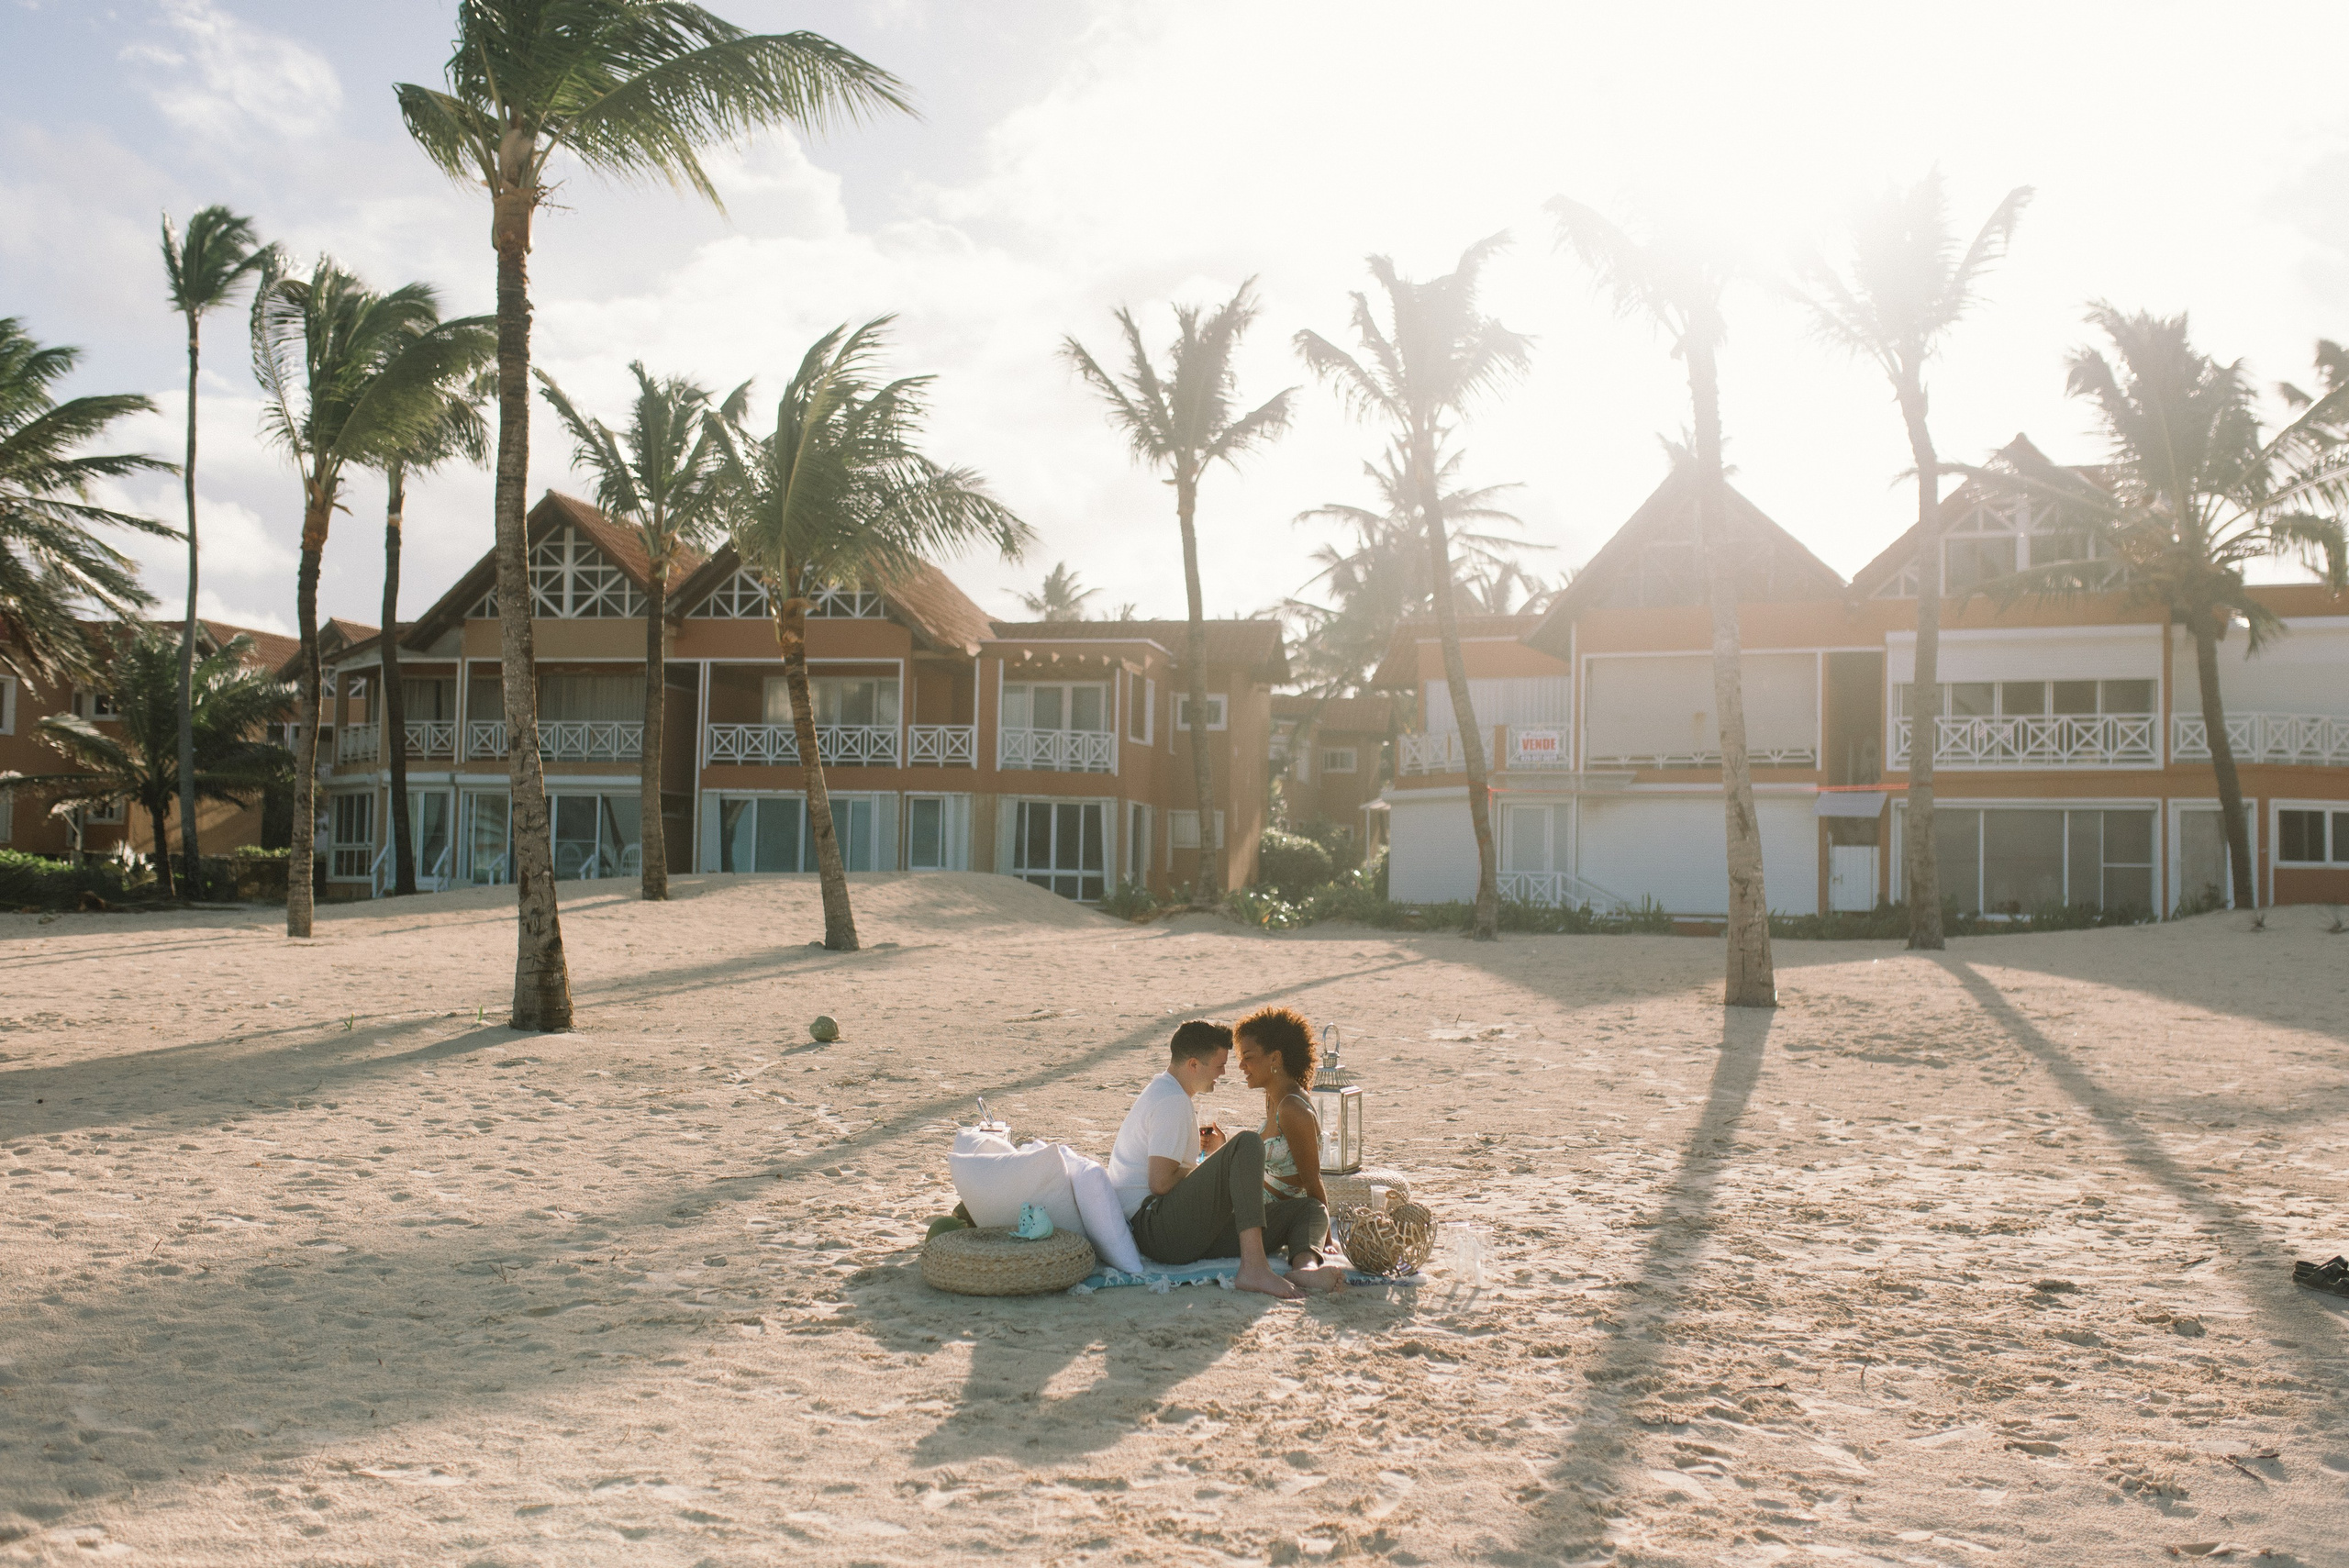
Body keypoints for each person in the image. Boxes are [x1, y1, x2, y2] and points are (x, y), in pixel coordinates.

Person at [1108, 1018, 1334, 1298]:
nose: (1225, 1072)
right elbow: (1161, 1183)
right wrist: (1220, 1163)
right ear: (1193, 1064)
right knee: (1247, 1143)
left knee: (1309, 1208)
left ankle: (1306, 1269)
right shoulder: (1172, 1101)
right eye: (1219, 1065)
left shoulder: (1166, 1092)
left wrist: (1215, 1160)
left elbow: (1170, 1179)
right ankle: (1254, 1268)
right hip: (1157, 1228)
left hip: (1173, 1227)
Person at [1231, 1005, 1349, 1293]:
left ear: (1275, 1058)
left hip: (1265, 1216)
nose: (1241, 1066)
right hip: (1253, 1210)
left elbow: (1312, 1180)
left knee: (1312, 1209)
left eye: (1247, 1057)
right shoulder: (1275, 1099)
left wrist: (1327, 1240)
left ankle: (1306, 1269)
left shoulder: (1293, 1108)